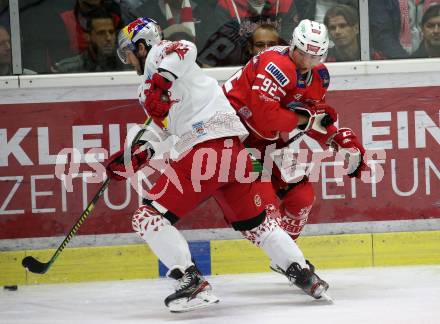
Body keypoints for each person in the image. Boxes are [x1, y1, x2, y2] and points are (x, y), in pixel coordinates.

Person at [106, 17, 331, 312]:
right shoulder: (147, 86)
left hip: (205, 148)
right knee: (258, 226)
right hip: (234, 153)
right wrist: (141, 151)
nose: (129, 59)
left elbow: (185, 47)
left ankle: (190, 280)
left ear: (142, 44)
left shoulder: (161, 54)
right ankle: (303, 273)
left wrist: (160, 81)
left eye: (129, 51)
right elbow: (165, 126)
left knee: (147, 217)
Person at [223, 19, 368, 271]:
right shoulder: (275, 64)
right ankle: (290, 261)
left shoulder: (320, 76)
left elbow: (312, 117)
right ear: (292, 45)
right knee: (267, 207)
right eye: (302, 53)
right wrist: (307, 119)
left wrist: (338, 139)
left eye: (315, 56)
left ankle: (285, 257)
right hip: (230, 136)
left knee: (302, 197)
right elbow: (266, 116)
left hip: (265, 139)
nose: (307, 61)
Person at [52, 9, 128, 73]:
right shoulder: (66, 69)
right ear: (87, 37)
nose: (108, 38)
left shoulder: (128, 65)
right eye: (101, 33)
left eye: (111, 32)